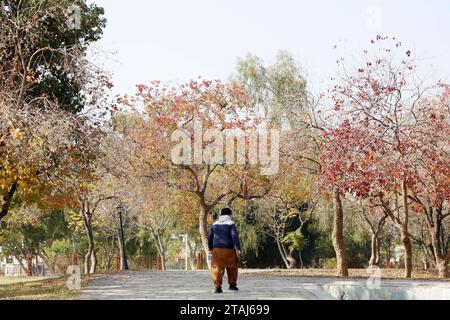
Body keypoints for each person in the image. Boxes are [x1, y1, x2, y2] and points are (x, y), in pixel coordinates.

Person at [207, 207, 241, 293]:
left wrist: (210, 248)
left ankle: (217, 287)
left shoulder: (214, 224)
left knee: (217, 269)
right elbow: (234, 236)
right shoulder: (231, 223)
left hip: (217, 250)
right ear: (229, 214)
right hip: (229, 249)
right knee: (232, 267)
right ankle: (232, 285)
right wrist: (237, 248)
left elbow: (210, 237)